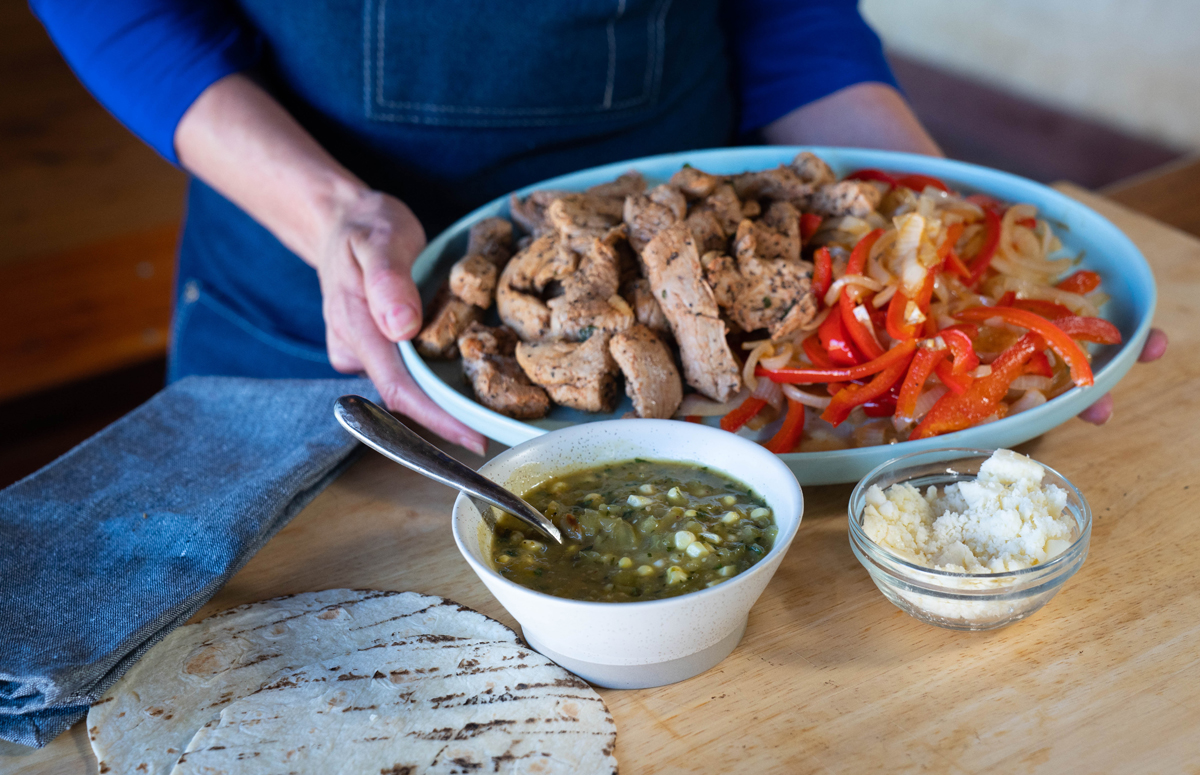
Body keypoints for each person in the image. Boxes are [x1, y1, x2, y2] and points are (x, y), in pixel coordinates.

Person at [31, 1, 1165, 454]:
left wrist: (930, 257)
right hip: (309, 296)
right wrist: (333, 211)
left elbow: (791, 18)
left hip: (738, 385)